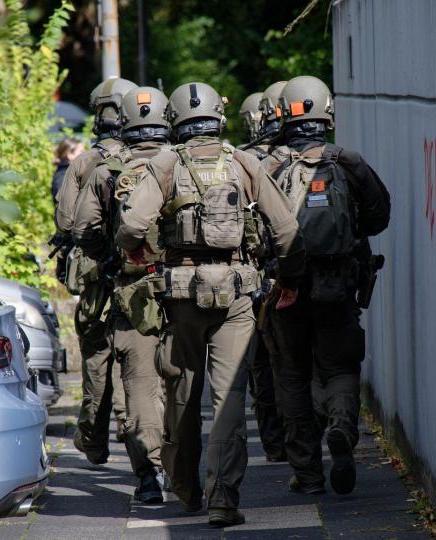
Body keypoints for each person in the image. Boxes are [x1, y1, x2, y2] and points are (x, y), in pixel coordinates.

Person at [115, 82, 306, 527]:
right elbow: (287, 232)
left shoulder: (166, 163)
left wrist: (140, 253)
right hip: (237, 295)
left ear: (175, 121)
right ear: (219, 116)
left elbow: (130, 226)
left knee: (181, 393)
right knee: (229, 399)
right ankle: (223, 498)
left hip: (180, 297)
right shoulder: (245, 162)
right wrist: (290, 281)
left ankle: (183, 485)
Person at [269, 75, 391, 496]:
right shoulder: (349, 163)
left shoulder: (269, 166)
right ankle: (341, 426)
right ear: (327, 112)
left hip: (287, 288)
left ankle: (307, 474)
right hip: (339, 284)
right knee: (340, 367)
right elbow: (379, 217)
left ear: (282, 113)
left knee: (294, 377)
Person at [71, 86, 170, 503]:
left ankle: (149, 475)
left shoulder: (101, 169)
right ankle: (205, 478)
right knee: (193, 385)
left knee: (140, 386)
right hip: (193, 289)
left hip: (133, 292)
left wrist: (107, 258)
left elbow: (77, 229)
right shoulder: (186, 161)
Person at [55, 77, 137, 465]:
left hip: (93, 278)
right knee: (139, 354)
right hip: (138, 273)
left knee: (97, 356)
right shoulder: (152, 158)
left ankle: (93, 439)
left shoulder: (85, 163)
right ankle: (133, 426)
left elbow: (66, 221)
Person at [238, 89, 289, 463]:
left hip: (256, 282)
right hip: (294, 277)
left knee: (260, 366)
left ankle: (274, 443)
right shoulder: (319, 158)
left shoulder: (246, 162)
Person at [51, 137, 84, 205]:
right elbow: (62, 200)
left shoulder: (72, 172)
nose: (85, 154)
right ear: (70, 155)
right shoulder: (63, 175)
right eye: (81, 151)